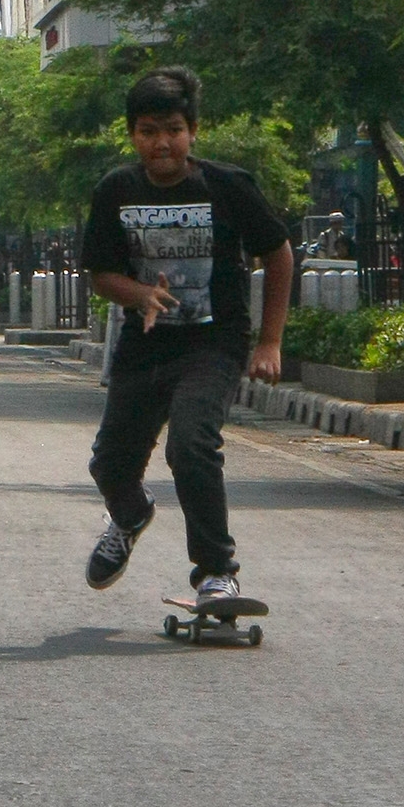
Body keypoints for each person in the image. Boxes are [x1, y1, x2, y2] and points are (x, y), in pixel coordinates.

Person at [80, 66, 292, 608]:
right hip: (144, 346)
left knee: (191, 445)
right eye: (149, 131)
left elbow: (278, 252)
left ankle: (216, 572)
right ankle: (129, 514)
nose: (162, 142)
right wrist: (139, 294)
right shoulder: (116, 191)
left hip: (212, 345)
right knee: (109, 464)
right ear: (132, 135)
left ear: (193, 131)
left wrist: (269, 342)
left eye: (173, 129)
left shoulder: (227, 187)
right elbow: (100, 272)